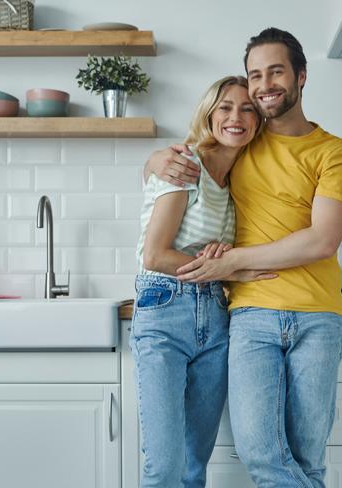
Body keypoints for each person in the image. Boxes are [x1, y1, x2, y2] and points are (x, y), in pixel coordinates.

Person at [146, 28, 342, 488]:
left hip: (319, 316)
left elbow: (322, 240)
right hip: (250, 316)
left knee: (307, 459)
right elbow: (186, 162)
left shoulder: (335, 152)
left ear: (301, 77)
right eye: (255, 74)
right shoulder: (241, 141)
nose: (264, 85)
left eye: (276, 71)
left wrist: (231, 262)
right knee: (261, 455)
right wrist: (154, 160)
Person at [132, 75, 275, 488]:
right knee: (164, 466)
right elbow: (155, 255)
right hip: (165, 310)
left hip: (215, 315)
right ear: (209, 114)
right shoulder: (184, 164)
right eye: (226, 107)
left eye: (248, 108)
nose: (237, 117)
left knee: (195, 466)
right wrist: (229, 267)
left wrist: (223, 265)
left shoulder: (238, 179)